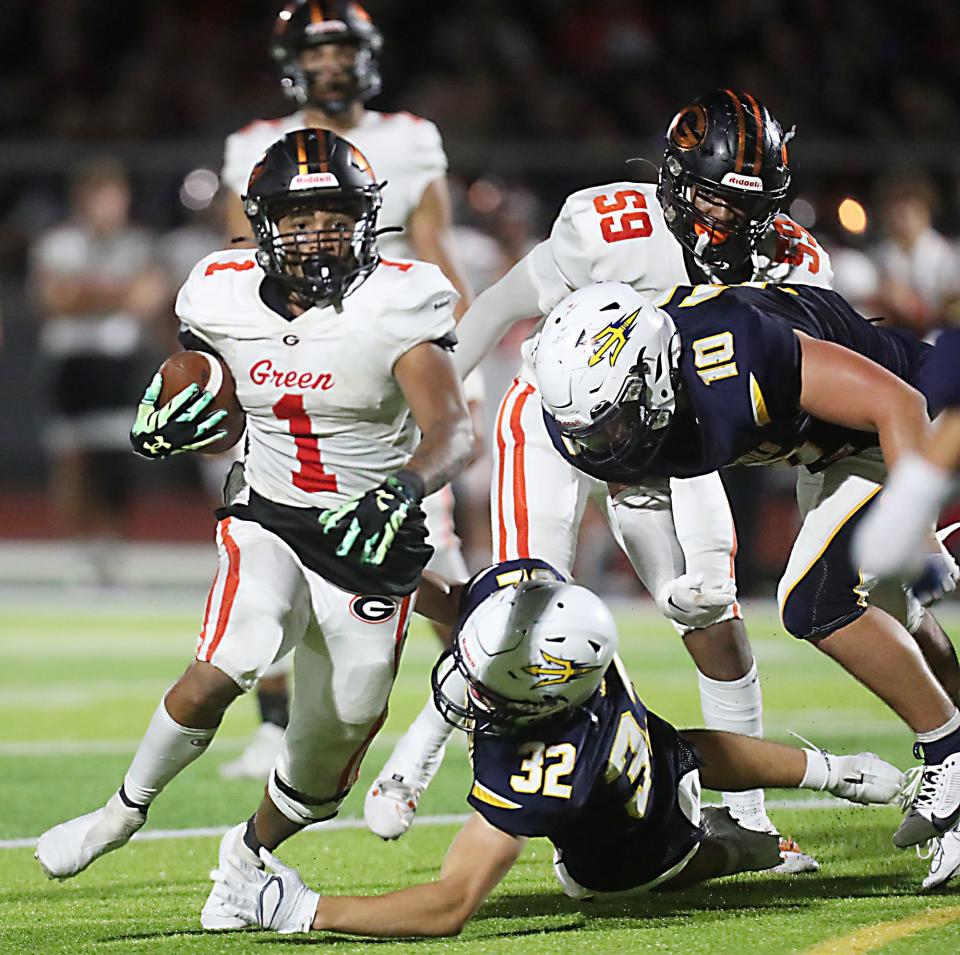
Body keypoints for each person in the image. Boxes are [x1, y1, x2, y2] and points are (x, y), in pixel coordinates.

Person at [365, 90, 829, 870]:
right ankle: (462, 762)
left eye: (747, 209)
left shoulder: (791, 265)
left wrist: (733, 548)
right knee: (523, 618)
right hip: (552, 425)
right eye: (712, 201)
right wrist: (432, 421)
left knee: (714, 619)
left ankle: (745, 818)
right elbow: (497, 307)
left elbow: (758, 419)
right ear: (678, 183)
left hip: (667, 446)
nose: (726, 227)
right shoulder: (614, 227)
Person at [33, 130, 474, 914]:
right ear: (263, 222)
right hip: (266, 515)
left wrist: (404, 489)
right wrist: (179, 418)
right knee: (230, 655)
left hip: (364, 534)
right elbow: (218, 406)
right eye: (300, 217)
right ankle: (120, 812)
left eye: (337, 214)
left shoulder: (397, 298)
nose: (320, 232)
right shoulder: (221, 290)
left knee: (327, 753)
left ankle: (250, 853)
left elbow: (451, 431)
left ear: (367, 217)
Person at [206, 558, 904, 938]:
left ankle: (752, 847)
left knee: (713, 849)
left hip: (630, 861)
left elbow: (451, 903)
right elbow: (685, 746)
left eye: (497, 688)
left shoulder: (550, 758)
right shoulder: (550, 614)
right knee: (672, 749)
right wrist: (378, 568)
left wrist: (308, 909)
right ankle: (831, 783)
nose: (474, 693)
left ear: (549, 698)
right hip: (650, 760)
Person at [529, 279, 960, 886]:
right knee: (889, 605)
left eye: (616, 421)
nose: (605, 442)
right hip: (832, 452)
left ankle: (950, 752)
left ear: (655, 373)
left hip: (909, 422)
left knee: (816, 602)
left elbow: (899, 405)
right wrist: (669, 585)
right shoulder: (615, 406)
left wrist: (915, 522)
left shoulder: (731, 351)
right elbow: (636, 488)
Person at [218, 0, 482, 779]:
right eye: (317, 50)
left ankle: (489, 701)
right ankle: (274, 722)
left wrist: (449, 353)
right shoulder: (251, 145)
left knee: (430, 546)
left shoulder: (408, 136)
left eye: (343, 50)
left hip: (385, 367)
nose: (331, 65)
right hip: (290, 366)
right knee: (265, 535)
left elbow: (435, 251)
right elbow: (240, 262)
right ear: (292, 58)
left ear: (366, 56)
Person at [29, 158, 169, 584]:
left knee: (117, 459)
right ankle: (78, 548)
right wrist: (114, 292)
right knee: (71, 456)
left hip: (118, 362)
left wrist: (87, 291)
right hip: (71, 360)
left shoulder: (141, 245)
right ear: (82, 199)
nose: (107, 206)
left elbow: (145, 300)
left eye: (114, 196)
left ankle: (112, 547)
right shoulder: (59, 244)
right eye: (98, 196)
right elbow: (54, 301)